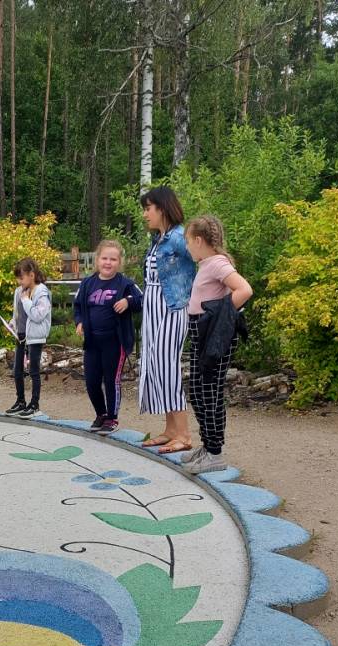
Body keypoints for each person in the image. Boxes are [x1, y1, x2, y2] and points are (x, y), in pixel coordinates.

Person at [180, 215, 253, 474]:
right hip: (201, 334)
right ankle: (208, 445)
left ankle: (215, 453)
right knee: (198, 391)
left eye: (188, 241)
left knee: (209, 392)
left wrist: (219, 314)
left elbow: (244, 290)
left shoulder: (217, 264)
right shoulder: (207, 264)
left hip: (214, 335)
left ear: (199, 240)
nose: (187, 246)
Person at [138, 186, 196, 453]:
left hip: (172, 308)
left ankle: (184, 434)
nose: (145, 214)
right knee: (156, 365)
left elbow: (205, 257)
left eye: (148, 208)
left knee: (167, 366)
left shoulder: (179, 237)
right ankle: (171, 430)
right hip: (152, 307)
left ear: (162, 208)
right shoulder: (159, 239)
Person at [73, 239, 142, 434]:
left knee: (112, 380)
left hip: (115, 341)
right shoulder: (87, 283)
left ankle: (112, 418)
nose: (108, 262)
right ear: (97, 260)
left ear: (119, 262)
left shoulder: (125, 284)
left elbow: (142, 298)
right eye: (104, 258)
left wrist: (128, 302)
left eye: (113, 259)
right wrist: (79, 322)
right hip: (92, 341)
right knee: (91, 381)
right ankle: (101, 414)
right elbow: (77, 306)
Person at [5, 258, 52, 418]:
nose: (19, 282)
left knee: (33, 371)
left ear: (31, 275)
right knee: (17, 370)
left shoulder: (42, 292)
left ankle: (34, 405)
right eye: (18, 278)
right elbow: (17, 313)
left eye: (22, 278)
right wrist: (12, 323)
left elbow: (37, 315)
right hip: (20, 335)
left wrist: (26, 300)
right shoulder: (18, 291)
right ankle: (20, 401)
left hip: (35, 337)